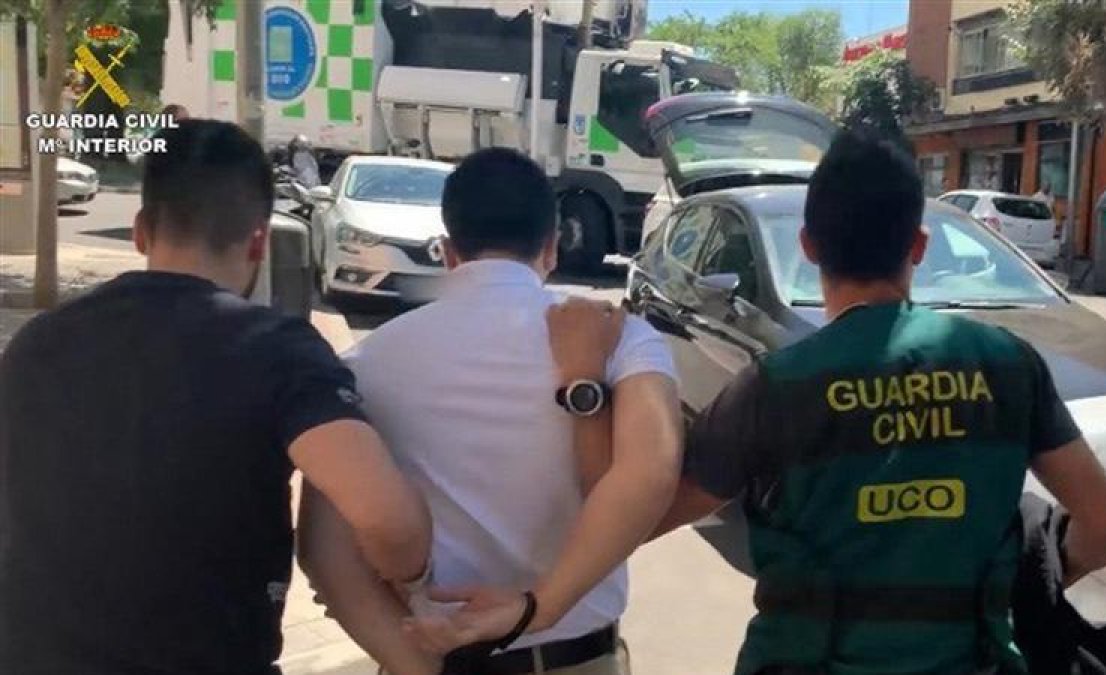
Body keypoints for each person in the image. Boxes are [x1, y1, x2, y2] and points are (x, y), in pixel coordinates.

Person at [649, 129, 1106, 675]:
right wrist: (1002, 586)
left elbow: (649, 513)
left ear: (808, 246)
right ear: (919, 246)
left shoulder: (775, 387)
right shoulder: (1009, 366)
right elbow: (1105, 530)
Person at [0, 120, 433, 675]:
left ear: (139, 231)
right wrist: (415, 576)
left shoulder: (37, 345)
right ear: (259, 240)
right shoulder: (278, 352)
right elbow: (388, 522)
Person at [300, 147, 683, 675]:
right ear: (551, 247)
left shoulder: (362, 365)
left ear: (447, 250)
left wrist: (416, 665)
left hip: (434, 655)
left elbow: (325, 556)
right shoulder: (622, 340)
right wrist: (536, 610)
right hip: (576, 660)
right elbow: (653, 472)